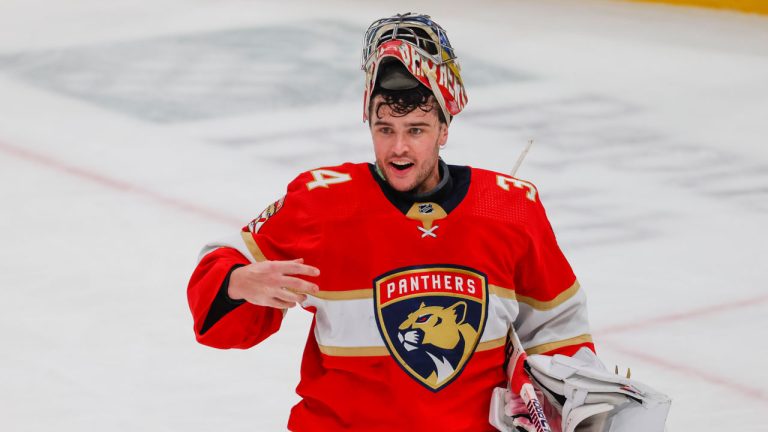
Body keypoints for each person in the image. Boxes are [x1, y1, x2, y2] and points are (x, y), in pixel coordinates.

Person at [187, 13, 668, 432]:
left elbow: (558, 331)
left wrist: (573, 399)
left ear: (444, 128)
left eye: (415, 130)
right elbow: (221, 283)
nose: (398, 149)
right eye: (385, 130)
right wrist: (235, 282)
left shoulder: (509, 208)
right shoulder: (321, 203)